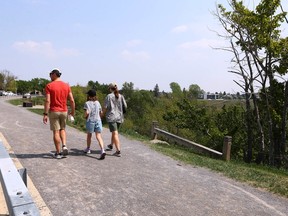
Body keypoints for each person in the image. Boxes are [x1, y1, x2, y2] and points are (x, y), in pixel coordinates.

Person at [43, 68, 75, 159]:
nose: (49, 76)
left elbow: (48, 101)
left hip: (54, 111)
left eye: (50, 74)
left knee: (56, 132)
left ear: (54, 74)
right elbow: (72, 100)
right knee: (63, 129)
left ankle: (58, 153)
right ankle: (64, 145)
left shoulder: (49, 86)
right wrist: (72, 111)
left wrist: (45, 114)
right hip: (64, 111)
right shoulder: (66, 85)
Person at [103, 83, 127, 157]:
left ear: (110, 88)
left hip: (112, 117)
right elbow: (125, 106)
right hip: (119, 117)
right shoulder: (121, 96)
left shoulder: (109, 96)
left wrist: (102, 114)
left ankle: (118, 151)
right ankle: (111, 145)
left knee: (115, 133)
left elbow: (105, 107)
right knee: (115, 132)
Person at [83, 89, 106, 160]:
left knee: (89, 135)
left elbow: (87, 112)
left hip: (90, 120)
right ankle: (102, 150)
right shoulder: (98, 102)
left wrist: (85, 116)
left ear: (89, 96)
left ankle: (88, 149)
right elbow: (101, 112)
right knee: (98, 136)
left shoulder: (87, 103)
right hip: (98, 120)